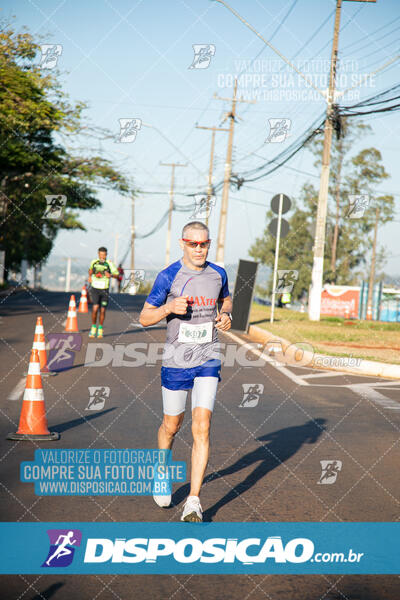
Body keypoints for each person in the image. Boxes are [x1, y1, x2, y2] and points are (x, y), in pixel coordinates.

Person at [139, 221, 233, 522]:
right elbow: (144, 317)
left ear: (209, 244)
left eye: (204, 243)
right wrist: (168, 309)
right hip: (177, 360)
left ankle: (193, 500)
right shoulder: (168, 276)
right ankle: (162, 470)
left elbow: (226, 298)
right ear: (182, 243)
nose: (199, 249)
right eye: (193, 243)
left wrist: (226, 313)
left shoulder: (218, 273)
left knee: (202, 425)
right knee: (171, 426)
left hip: (208, 357)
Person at [88, 247, 119, 338]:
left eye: (104, 255)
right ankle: (93, 327)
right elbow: (90, 270)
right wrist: (90, 276)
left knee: (102, 310)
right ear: (98, 254)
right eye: (100, 255)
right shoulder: (94, 262)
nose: (102, 256)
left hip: (104, 289)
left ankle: (100, 328)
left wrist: (111, 275)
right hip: (95, 288)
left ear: (106, 255)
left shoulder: (109, 263)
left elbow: (117, 275)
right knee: (95, 308)